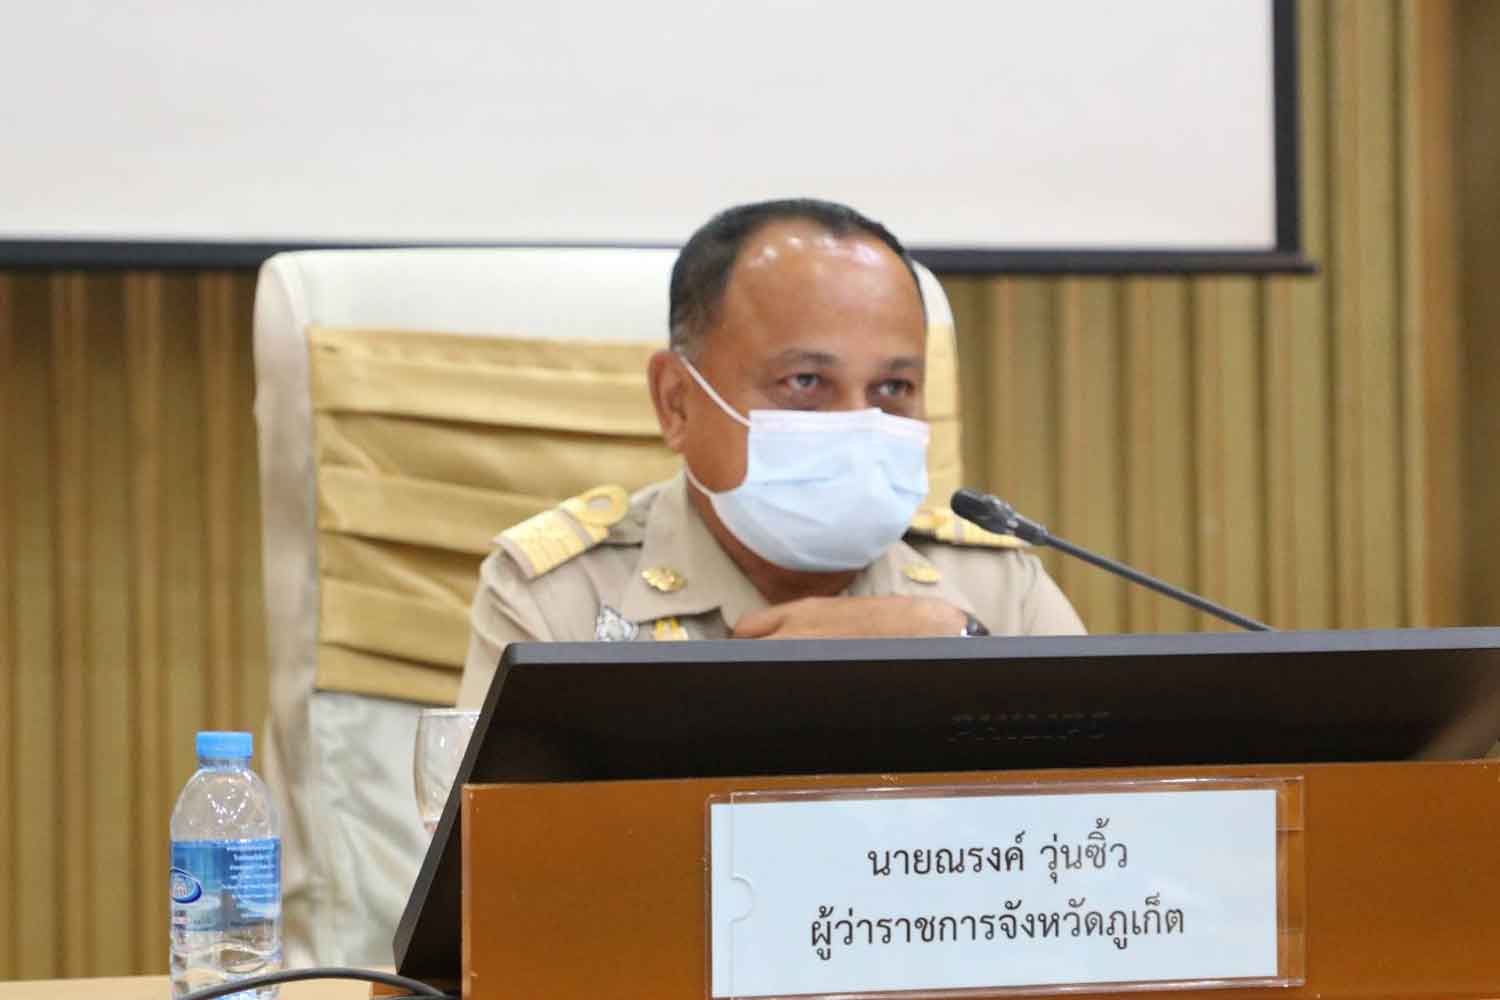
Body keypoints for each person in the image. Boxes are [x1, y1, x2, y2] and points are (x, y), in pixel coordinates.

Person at [457, 198, 1083, 707]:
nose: (858, 423)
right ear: (676, 401)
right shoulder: (561, 599)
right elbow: (512, 856)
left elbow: (1103, 837)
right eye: (805, 383)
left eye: (893, 388)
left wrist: (962, 651)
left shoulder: (996, 588)